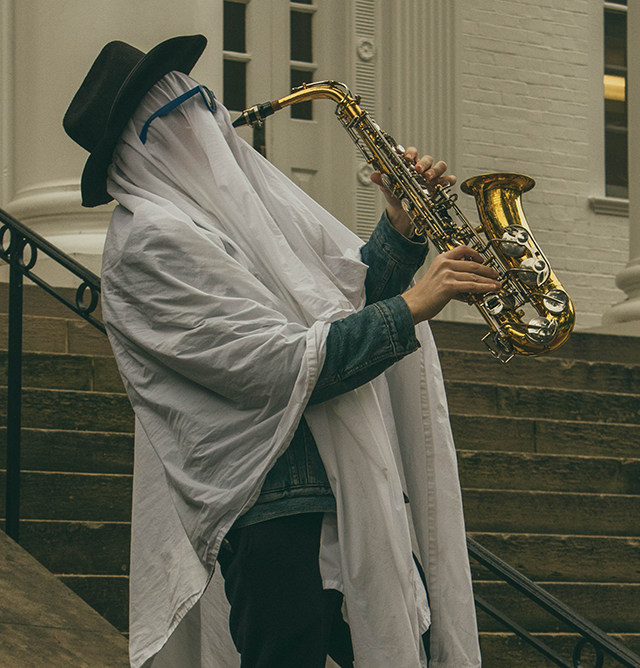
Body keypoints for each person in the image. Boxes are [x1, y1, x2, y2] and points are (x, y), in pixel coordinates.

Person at [64, 35, 499, 668]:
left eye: (202, 102)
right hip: (276, 517)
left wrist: (401, 235)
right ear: (144, 142)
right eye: (183, 112)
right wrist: (414, 304)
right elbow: (283, 365)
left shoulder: (224, 222)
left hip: (345, 492)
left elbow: (331, 311)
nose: (210, 122)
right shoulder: (150, 245)